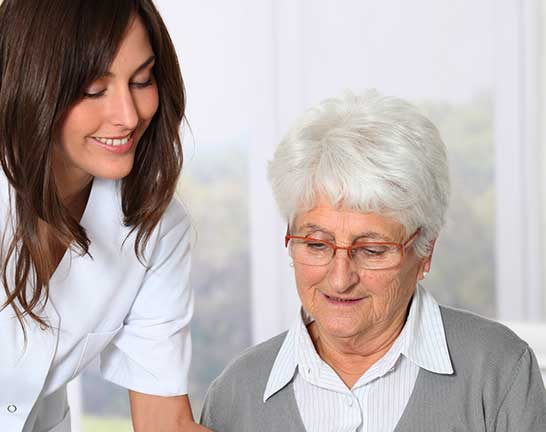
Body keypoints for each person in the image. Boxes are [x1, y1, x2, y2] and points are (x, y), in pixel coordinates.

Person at [200, 91, 546, 431]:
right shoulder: (233, 397)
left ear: (425, 252)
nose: (339, 279)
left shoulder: (500, 373)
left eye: (372, 250)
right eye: (317, 245)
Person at [0, 1, 210, 431]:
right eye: (94, 90)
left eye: (142, 80)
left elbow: (164, 421)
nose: (128, 116)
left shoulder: (156, 226)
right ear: (29, 84)